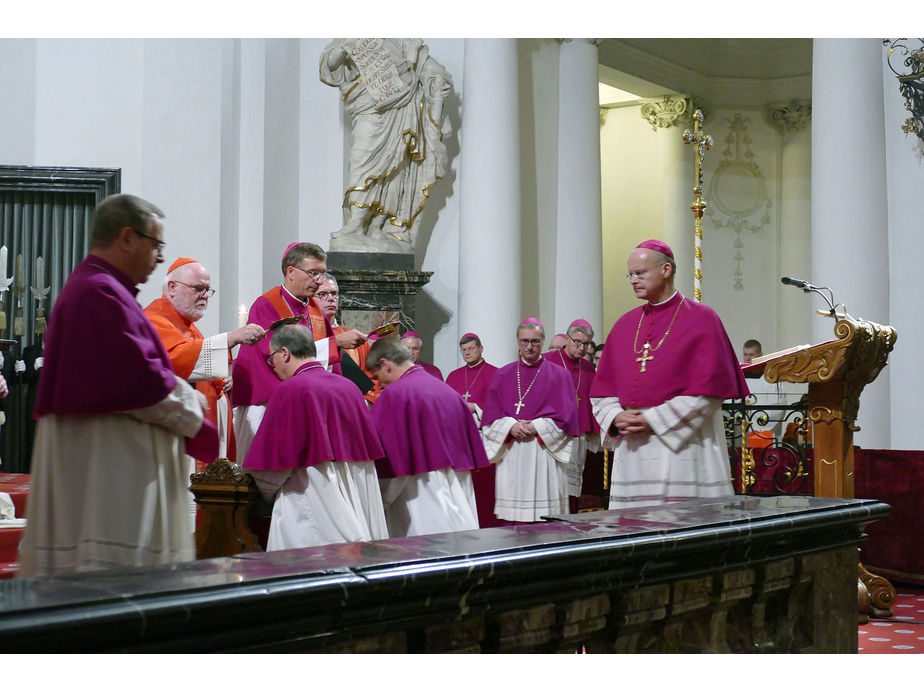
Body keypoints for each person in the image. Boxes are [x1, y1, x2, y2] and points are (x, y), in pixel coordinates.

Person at [18, 194, 217, 576]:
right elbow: (138, 379)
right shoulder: (99, 293)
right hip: (108, 463)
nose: (159, 257)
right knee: (109, 577)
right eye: (156, 244)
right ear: (127, 237)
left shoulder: (102, 288)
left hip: (108, 453)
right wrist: (193, 404)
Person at [590, 239, 749, 509]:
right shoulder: (625, 325)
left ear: (666, 270)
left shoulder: (702, 319)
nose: (633, 280)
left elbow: (709, 394)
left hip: (684, 448)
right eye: (630, 274)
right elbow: (602, 392)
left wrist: (653, 419)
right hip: (634, 451)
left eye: (640, 273)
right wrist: (617, 417)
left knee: (683, 529)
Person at [242, 325, 388, 550]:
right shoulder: (349, 387)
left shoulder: (291, 389)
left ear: (284, 353)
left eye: (272, 359)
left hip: (312, 497)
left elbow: (273, 467)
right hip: (358, 496)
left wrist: (265, 492)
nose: (274, 366)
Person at [231, 242, 366, 459]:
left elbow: (331, 363)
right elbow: (277, 355)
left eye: (321, 274)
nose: (319, 281)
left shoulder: (313, 308)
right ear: (291, 272)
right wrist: (336, 343)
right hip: (268, 404)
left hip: (306, 402)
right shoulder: (267, 305)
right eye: (313, 273)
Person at [320, 38, 453, 246]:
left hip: (402, 110)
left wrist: (437, 82)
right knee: (361, 162)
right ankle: (355, 223)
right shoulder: (354, 34)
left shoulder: (404, 40)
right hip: (369, 108)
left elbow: (432, 69)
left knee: (395, 170)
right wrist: (346, 46)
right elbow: (330, 64)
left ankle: (377, 225)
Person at [145, 257, 266, 467]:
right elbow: (175, 362)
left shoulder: (189, 327)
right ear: (172, 287)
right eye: (198, 288)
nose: (204, 296)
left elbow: (199, 364)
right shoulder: (155, 320)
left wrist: (222, 380)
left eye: (208, 290)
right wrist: (229, 338)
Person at [366, 337, 489, 537]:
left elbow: (391, 467)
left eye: (378, 378)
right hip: (459, 497)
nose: (380, 386)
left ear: (385, 364)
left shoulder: (396, 395)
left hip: (421, 501)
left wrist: (377, 502)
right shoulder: (447, 391)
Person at [481, 318, 581, 522]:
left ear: (542, 341)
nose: (529, 346)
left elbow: (568, 418)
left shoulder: (560, 376)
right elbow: (490, 417)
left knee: (547, 521)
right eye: (524, 341)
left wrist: (538, 426)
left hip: (544, 452)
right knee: (514, 524)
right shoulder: (502, 375)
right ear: (517, 342)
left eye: (535, 341)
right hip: (513, 452)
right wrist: (511, 425)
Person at [444, 332, 501, 528]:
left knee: (484, 484)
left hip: (485, 437)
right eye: (464, 351)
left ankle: (487, 521)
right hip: (459, 438)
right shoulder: (453, 376)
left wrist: (476, 407)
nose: (467, 353)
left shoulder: (495, 373)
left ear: (481, 349)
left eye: (471, 349)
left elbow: (500, 406)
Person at [543, 319, 601, 504]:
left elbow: (592, 400)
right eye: (577, 342)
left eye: (587, 344)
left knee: (571, 489)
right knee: (549, 484)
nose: (582, 348)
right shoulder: (546, 362)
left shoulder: (589, 368)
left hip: (577, 435)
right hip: (551, 432)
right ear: (567, 339)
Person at [315, 272, 380, 403]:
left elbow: (371, 381)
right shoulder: (306, 336)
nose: (330, 298)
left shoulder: (354, 339)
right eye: (322, 294)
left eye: (334, 293)